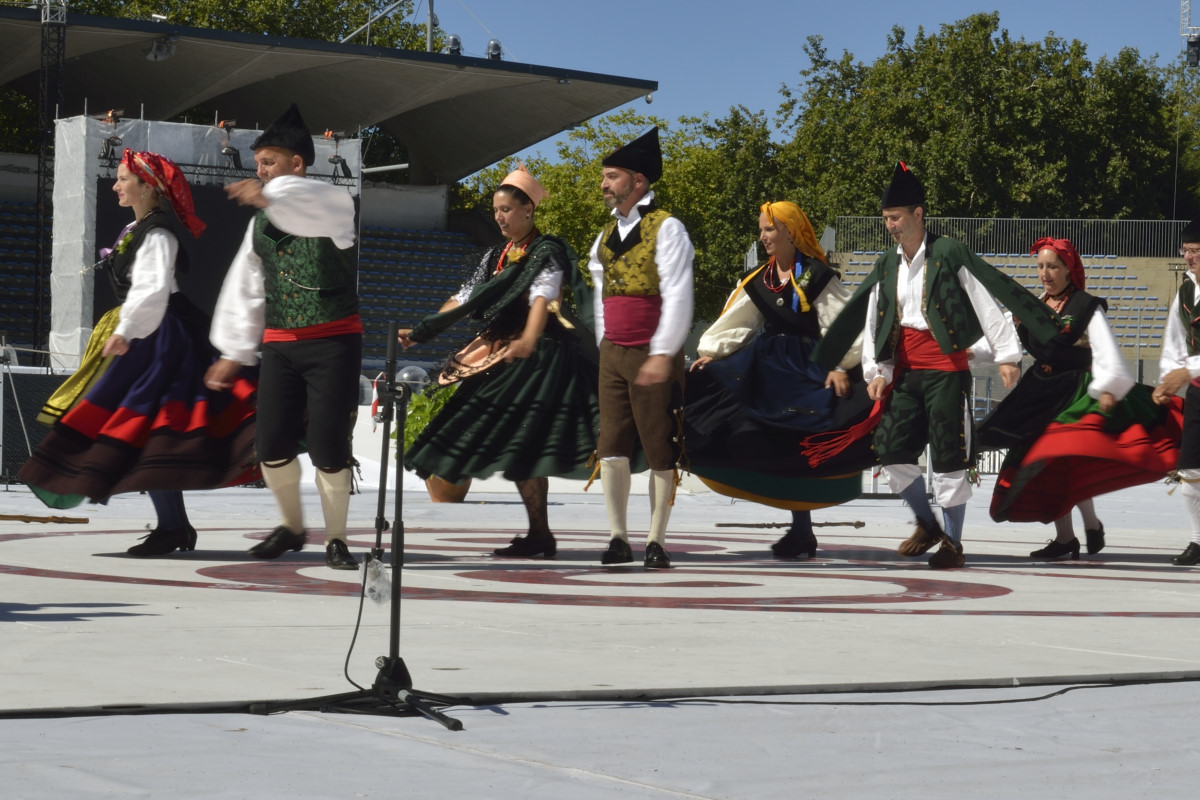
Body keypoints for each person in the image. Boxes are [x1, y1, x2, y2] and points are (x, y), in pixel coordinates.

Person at [813, 161, 1059, 569]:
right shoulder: (885, 263)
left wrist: (1008, 354)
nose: (890, 226)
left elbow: (985, 297)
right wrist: (875, 372)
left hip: (946, 371)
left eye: (896, 218)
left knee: (948, 456)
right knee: (890, 449)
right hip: (905, 372)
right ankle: (928, 524)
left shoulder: (948, 252)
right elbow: (875, 317)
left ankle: (954, 545)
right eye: (886, 219)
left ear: (918, 215)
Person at [19, 149, 256, 556]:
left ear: (148, 186)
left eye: (123, 178)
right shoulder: (139, 227)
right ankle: (173, 527)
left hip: (165, 338)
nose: (116, 185)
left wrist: (127, 331)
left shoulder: (157, 233)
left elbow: (152, 290)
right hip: (153, 334)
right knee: (147, 432)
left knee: (151, 430)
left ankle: (174, 527)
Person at [398, 166, 598, 558]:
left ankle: (543, 533)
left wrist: (527, 338)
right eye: (495, 210)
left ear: (528, 210)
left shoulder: (547, 249)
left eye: (506, 209)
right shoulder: (497, 254)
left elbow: (544, 295)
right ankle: (539, 533)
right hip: (504, 353)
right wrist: (423, 329)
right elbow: (465, 297)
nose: (499, 217)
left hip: (541, 358)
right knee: (515, 444)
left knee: (526, 444)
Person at [203, 103, 362, 571]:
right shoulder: (259, 222)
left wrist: (271, 196)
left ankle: (336, 538)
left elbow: (307, 204)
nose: (260, 170)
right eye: (258, 164)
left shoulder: (333, 204)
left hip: (333, 341)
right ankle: (292, 528)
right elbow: (246, 286)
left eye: (269, 162)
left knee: (330, 445)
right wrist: (233, 350)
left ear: (297, 163)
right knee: (270, 444)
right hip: (280, 343)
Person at [685, 201, 874, 559]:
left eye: (769, 229)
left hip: (806, 366)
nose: (763, 236)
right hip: (766, 363)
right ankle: (798, 528)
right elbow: (739, 322)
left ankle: (802, 531)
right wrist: (713, 351)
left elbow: (842, 325)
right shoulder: (760, 279)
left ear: (789, 231)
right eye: (762, 230)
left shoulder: (817, 276)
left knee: (796, 439)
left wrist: (837, 363)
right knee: (712, 396)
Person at [975, 237, 1179, 559]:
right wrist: (959, 353)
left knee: (1058, 454)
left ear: (1068, 269)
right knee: (1051, 460)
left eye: (1053, 266)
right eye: (1041, 266)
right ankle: (1076, 533)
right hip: (1039, 391)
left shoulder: (1085, 306)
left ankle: (1080, 530)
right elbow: (1001, 344)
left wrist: (1108, 386)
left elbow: (1105, 349)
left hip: (1075, 390)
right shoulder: (1030, 309)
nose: (1045, 273)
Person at [586, 127, 694, 570]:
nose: (604, 184)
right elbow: (599, 295)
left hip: (652, 354)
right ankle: (617, 537)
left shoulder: (667, 227)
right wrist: (604, 345)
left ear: (638, 181)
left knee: (658, 445)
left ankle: (655, 539)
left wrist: (663, 353)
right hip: (614, 352)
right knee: (610, 444)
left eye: (612, 176)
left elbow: (679, 294)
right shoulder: (604, 236)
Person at [1154, 218, 1200, 566]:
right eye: (1187, 251)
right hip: (1198, 392)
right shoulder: (1186, 290)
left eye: (1196, 251)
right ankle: (1198, 541)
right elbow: (1174, 340)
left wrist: (1187, 370)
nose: (1189, 258)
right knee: (1191, 470)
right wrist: (1167, 378)